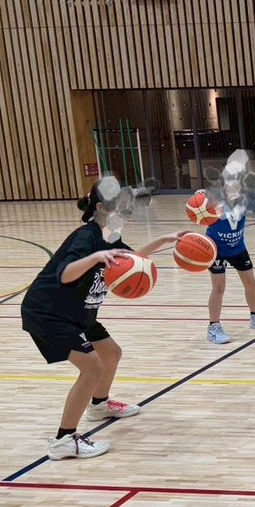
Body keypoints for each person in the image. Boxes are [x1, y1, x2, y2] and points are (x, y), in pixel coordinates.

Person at [20, 184, 188, 460]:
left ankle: (99, 405)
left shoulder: (110, 236)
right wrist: (95, 258)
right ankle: (64, 440)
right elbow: (65, 274)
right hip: (48, 313)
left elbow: (133, 259)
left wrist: (164, 240)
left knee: (111, 353)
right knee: (92, 367)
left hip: (78, 312)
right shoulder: (86, 237)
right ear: (101, 208)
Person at [205, 208, 255, 344]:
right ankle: (213, 327)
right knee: (219, 287)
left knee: (250, 282)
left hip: (238, 247)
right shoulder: (212, 202)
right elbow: (198, 210)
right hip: (216, 249)